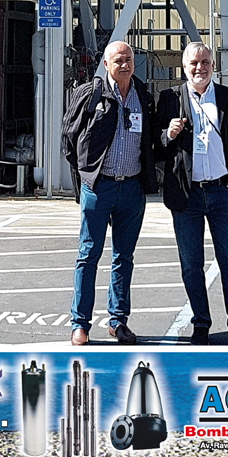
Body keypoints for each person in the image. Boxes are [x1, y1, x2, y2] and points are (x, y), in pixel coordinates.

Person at [155, 42, 228, 346]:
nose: (200, 68)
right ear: (183, 67)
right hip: (187, 196)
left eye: (205, 62)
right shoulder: (170, 99)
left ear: (213, 65)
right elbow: (155, 146)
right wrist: (168, 134)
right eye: (193, 63)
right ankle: (201, 324)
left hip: (221, 192)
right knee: (191, 264)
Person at [62, 41, 158, 346]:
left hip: (131, 188)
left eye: (129, 59)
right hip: (98, 187)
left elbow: (151, 140)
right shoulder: (90, 94)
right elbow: (69, 137)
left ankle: (118, 321)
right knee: (88, 256)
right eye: (118, 60)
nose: (125, 64)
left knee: (123, 257)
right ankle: (80, 324)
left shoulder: (143, 95)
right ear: (106, 64)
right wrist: (87, 174)